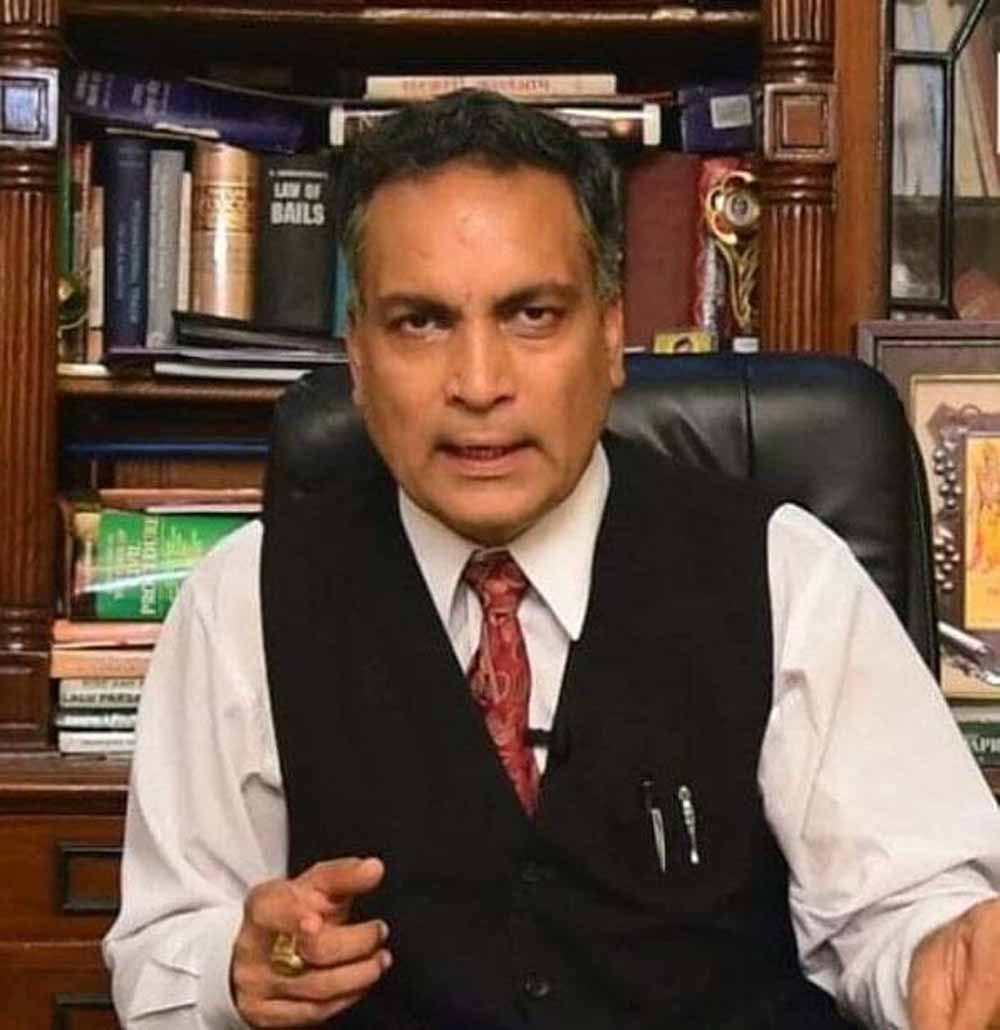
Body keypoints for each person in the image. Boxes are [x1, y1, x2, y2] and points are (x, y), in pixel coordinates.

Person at [104, 90, 1000, 1030]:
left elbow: (908, 907)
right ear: (357, 358)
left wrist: (938, 961)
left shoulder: (786, 575)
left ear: (610, 336)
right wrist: (235, 971)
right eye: (420, 323)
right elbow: (161, 960)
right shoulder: (245, 599)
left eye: (532, 314)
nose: (479, 384)